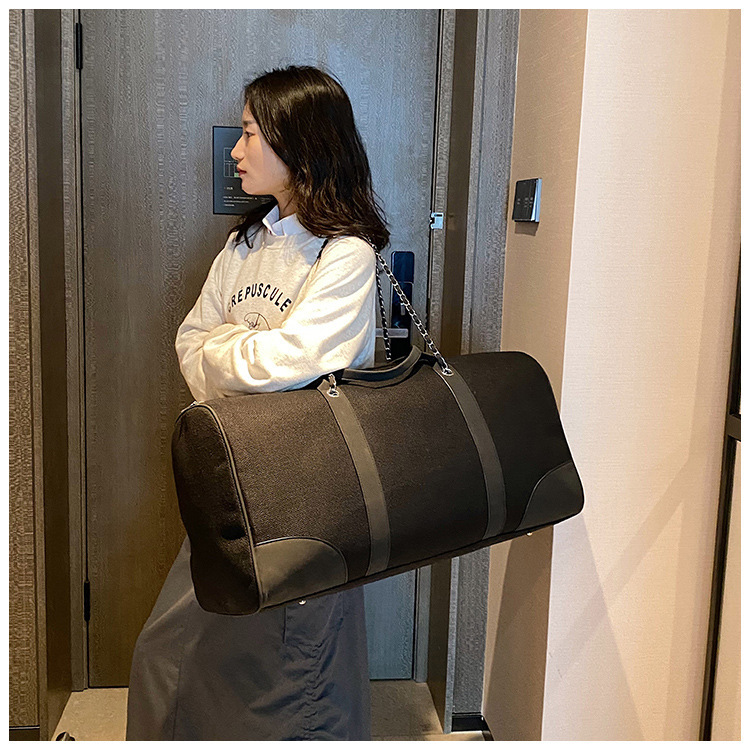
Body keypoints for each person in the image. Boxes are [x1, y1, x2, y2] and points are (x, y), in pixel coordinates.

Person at [125, 64, 390, 741]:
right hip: (235, 478)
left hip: (311, 489)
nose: (236, 152)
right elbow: (191, 344)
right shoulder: (243, 244)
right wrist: (244, 359)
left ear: (300, 144)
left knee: (299, 665)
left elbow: (296, 361)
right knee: (179, 645)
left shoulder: (346, 255)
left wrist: (229, 352)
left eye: (249, 134)